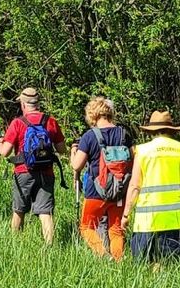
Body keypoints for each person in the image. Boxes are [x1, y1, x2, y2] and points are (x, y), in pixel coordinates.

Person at [123, 110, 180, 266]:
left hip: (150, 220)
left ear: (151, 131)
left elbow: (135, 186)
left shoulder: (142, 151)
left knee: (154, 263)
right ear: (171, 130)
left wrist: (126, 214)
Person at [1, 87, 65, 243]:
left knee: (19, 210)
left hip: (23, 172)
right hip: (46, 172)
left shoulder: (17, 123)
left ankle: (15, 245)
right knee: (45, 213)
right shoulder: (50, 121)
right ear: (38, 103)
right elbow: (62, 149)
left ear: (23, 104)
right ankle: (50, 246)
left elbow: (4, 152)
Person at [71, 96, 131, 261]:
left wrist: (73, 151)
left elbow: (77, 165)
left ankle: (104, 255)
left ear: (92, 114)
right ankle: (118, 261)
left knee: (86, 227)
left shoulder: (89, 136)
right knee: (116, 229)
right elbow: (132, 160)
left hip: (96, 191)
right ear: (109, 113)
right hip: (119, 189)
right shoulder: (124, 134)